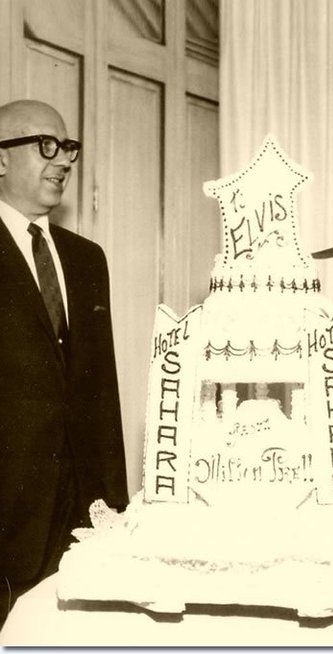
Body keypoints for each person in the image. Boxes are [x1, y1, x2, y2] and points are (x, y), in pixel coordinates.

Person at [0, 100, 128, 627]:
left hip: (80, 512)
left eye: (68, 147)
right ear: (1, 159)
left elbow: (103, 389)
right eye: (45, 145)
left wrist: (114, 503)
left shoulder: (86, 257)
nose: (63, 161)